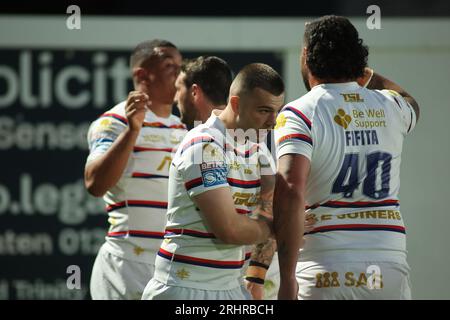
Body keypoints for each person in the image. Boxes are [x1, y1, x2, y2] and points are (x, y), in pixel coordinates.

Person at [273, 15, 420, 300]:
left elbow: (291, 191)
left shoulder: (298, 112)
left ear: (306, 56)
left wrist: (287, 277)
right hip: (388, 266)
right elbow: (413, 102)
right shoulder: (391, 104)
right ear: (357, 60)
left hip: (325, 265)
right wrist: (368, 76)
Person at [142, 63, 285, 300]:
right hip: (185, 288)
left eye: (276, 112)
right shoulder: (204, 146)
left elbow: (271, 209)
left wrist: (257, 276)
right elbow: (228, 229)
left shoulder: (259, 151)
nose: (273, 121)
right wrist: (279, 227)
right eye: (264, 111)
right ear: (236, 104)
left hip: (232, 286)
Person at [84, 39, 186, 299]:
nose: (179, 73)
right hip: (125, 266)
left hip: (171, 267)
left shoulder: (183, 129)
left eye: (180, 66)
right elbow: (94, 183)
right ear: (142, 74)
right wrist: (133, 131)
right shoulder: (113, 122)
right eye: (169, 65)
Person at [174, 56, 233, 129]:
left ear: (194, 92)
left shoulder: (197, 138)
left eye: (178, 89)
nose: (175, 99)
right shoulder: (246, 133)